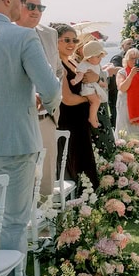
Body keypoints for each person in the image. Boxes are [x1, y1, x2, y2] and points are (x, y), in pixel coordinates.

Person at [0, 0, 60, 276]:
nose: (23, 5)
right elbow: (51, 89)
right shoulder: (22, 37)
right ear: (8, 0)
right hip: (16, 144)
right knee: (14, 223)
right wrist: (46, 101)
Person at [17, 0, 63, 197]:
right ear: (18, 5)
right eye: (31, 6)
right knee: (18, 184)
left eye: (40, 7)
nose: (36, 11)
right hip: (16, 122)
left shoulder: (50, 34)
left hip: (46, 119)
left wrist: (50, 98)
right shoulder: (4, 34)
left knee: (45, 184)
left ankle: (45, 219)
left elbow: (58, 71)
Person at [55, 24, 99, 186]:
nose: (71, 44)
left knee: (85, 161)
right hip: (69, 121)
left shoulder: (73, 62)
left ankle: (89, 195)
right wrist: (89, 99)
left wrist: (96, 78)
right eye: (66, 40)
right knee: (75, 162)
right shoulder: (58, 65)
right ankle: (80, 197)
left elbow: (92, 78)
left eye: (74, 40)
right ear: (55, 41)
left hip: (81, 121)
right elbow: (67, 98)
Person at [71, 39, 108, 128]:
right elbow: (80, 75)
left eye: (100, 57)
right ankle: (92, 118)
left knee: (94, 102)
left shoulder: (96, 65)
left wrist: (100, 82)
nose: (100, 59)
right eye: (98, 57)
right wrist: (75, 80)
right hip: (88, 88)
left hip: (92, 87)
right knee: (96, 101)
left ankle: (94, 118)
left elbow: (96, 78)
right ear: (89, 57)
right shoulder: (84, 65)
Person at [105, 38, 134, 128]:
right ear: (122, 46)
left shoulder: (133, 59)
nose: (131, 46)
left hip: (128, 92)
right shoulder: (117, 58)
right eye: (128, 44)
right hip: (115, 92)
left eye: (132, 44)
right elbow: (113, 71)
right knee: (116, 117)